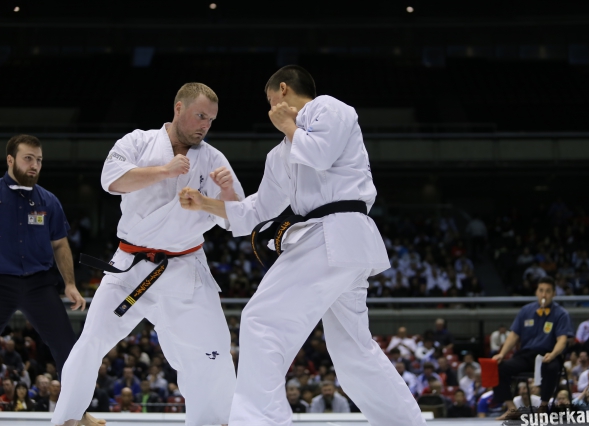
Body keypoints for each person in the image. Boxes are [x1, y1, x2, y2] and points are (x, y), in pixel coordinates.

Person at [178, 65, 425, 426]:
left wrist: (288, 126)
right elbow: (257, 211)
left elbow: (320, 155)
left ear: (283, 90)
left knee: (262, 320)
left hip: (335, 232)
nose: (270, 108)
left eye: (270, 100)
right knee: (353, 351)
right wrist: (206, 204)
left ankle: (261, 421)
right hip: (335, 243)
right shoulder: (280, 153)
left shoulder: (329, 108)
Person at [52, 82, 244, 426]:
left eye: (211, 120)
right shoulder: (138, 142)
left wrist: (225, 192)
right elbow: (111, 181)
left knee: (212, 349)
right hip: (131, 267)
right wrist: (164, 171)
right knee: (91, 340)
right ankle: (70, 418)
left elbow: (237, 219)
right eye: (200, 115)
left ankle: (213, 421)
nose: (205, 125)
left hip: (184, 269)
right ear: (178, 108)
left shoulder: (213, 159)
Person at [0, 135, 86, 382]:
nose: (34, 165)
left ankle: (75, 405)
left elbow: (60, 244)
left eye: (38, 160)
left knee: (67, 347)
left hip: (39, 284)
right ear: (10, 160)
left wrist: (70, 283)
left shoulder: (49, 201)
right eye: (28, 158)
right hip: (2, 281)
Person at [492, 277, 574, 420]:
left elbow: (562, 340)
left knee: (552, 368)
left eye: (548, 291)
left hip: (548, 356)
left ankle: (542, 408)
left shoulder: (561, 314)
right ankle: (512, 409)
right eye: (541, 290)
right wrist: (502, 354)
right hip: (526, 355)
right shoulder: (526, 311)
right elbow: (514, 335)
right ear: (536, 292)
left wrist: (553, 354)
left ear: (554, 294)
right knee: (498, 367)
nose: (544, 294)